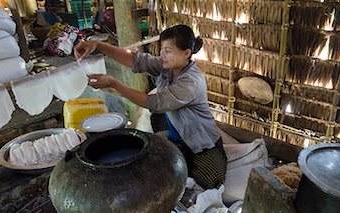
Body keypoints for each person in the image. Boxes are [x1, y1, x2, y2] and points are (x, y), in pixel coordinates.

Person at [73, 24, 227, 190]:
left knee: (211, 179)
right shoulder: (168, 67)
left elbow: (154, 103)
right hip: (177, 135)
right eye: (162, 49)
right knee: (156, 167)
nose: (162, 54)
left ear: (186, 53)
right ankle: (179, 154)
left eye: (168, 50)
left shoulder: (191, 82)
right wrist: (98, 45)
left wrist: (115, 84)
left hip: (200, 142)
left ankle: (197, 157)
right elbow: (135, 60)